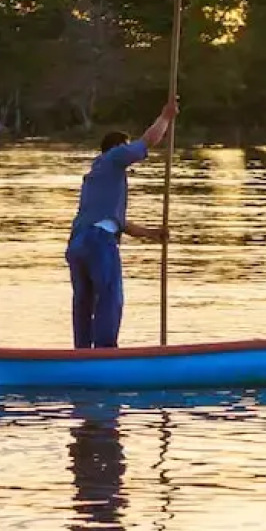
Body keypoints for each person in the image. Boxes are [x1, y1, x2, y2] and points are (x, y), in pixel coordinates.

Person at [66, 97, 179, 349]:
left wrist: (152, 234)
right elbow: (148, 141)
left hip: (78, 242)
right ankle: (105, 351)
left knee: (83, 301)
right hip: (97, 242)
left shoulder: (96, 174)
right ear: (117, 147)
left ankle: (82, 352)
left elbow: (119, 223)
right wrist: (166, 117)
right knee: (109, 297)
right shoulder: (114, 157)